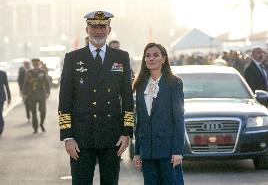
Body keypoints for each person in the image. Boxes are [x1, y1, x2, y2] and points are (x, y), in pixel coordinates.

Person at [58, 11, 134, 185]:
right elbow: (65, 100)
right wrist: (67, 136)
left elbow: (128, 99)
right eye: (94, 27)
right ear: (87, 29)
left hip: (112, 137)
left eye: (102, 27)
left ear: (109, 29)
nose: (98, 31)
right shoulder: (73, 58)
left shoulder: (121, 57)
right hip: (81, 138)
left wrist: (126, 132)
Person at [133, 43, 185, 185]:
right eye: (148, 56)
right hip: (147, 152)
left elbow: (179, 119)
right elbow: (139, 121)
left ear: (164, 59)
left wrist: (178, 151)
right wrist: (137, 152)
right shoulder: (140, 84)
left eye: (156, 55)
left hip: (168, 151)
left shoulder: (174, 83)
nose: (151, 58)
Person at [23, 58, 50, 133]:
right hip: (31, 95)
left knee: (43, 111)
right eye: (34, 64)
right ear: (32, 65)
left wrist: (48, 92)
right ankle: (35, 128)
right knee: (33, 113)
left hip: (41, 94)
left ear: (39, 64)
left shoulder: (42, 72)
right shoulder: (29, 72)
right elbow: (25, 84)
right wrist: (24, 94)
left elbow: (47, 82)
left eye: (37, 64)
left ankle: (41, 124)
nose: (36, 66)